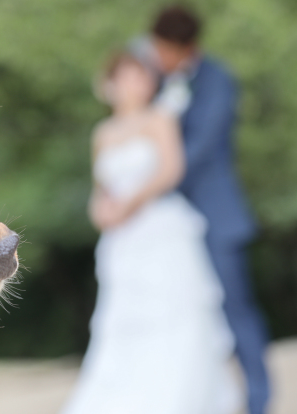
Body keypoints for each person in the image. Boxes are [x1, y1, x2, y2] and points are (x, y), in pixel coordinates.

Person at [62, 52, 240, 414]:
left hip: (160, 228)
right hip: (122, 241)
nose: (134, 85)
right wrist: (102, 213)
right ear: (110, 85)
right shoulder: (103, 132)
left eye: (141, 77)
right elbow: (101, 189)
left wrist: (132, 203)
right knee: (125, 319)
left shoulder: (160, 118)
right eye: (126, 77)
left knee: (173, 311)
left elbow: (171, 169)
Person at [130, 5, 271, 414]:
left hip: (215, 216)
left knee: (235, 308)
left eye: (163, 49)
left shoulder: (219, 80)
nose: (156, 56)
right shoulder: (154, 80)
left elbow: (200, 150)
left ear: (184, 47)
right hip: (164, 226)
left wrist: (150, 182)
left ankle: (259, 399)